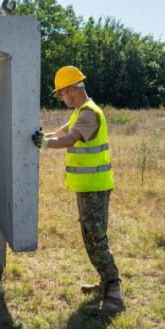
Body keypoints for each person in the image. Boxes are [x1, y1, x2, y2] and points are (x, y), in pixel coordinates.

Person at [31, 66, 124, 316]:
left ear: (72, 90)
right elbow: (59, 132)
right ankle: (105, 284)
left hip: (95, 188)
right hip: (87, 188)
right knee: (91, 238)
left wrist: (46, 144)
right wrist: (42, 136)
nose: (61, 97)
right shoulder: (79, 112)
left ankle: (114, 295)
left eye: (61, 93)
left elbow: (69, 139)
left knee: (96, 239)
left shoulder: (88, 114)